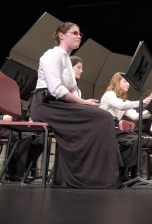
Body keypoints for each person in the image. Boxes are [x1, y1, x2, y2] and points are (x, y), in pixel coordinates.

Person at [29, 22, 121, 188]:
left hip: (58, 104)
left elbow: (73, 90)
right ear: (61, 35)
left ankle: (73, 176)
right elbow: (56, 90)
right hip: (46, 104)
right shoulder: (52, 55)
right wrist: (84, 103)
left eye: (80, 34)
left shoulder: (65, 59)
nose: (79, 36)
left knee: (103, 117)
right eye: (75, 33)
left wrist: (85, 103)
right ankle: (90, 176)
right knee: (103, 118)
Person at [100, 72, 152, 181]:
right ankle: (123, 173)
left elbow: (136, 116)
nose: (128, 84)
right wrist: (141, 102)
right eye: (125, 82)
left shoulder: (123, 100)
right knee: (135, 140)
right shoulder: (110, 94)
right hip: (107, 130)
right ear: (117, 82)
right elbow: (120, 105)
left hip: (118, 132)